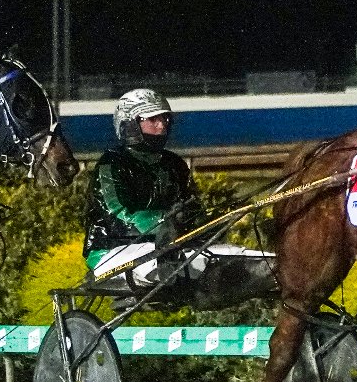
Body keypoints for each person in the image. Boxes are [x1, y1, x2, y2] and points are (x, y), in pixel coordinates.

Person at [83, 89, 272, 295]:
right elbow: (118, 215)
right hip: (112, 251)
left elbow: (192, 209)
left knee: (239, 256)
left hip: (173, 247)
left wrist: (213, 221)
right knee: (169, 264)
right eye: (152, 119)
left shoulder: (175, 164)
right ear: (129, 123)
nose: (162, 125)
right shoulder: (111, 164)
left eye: (165, 118)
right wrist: (169, 223)